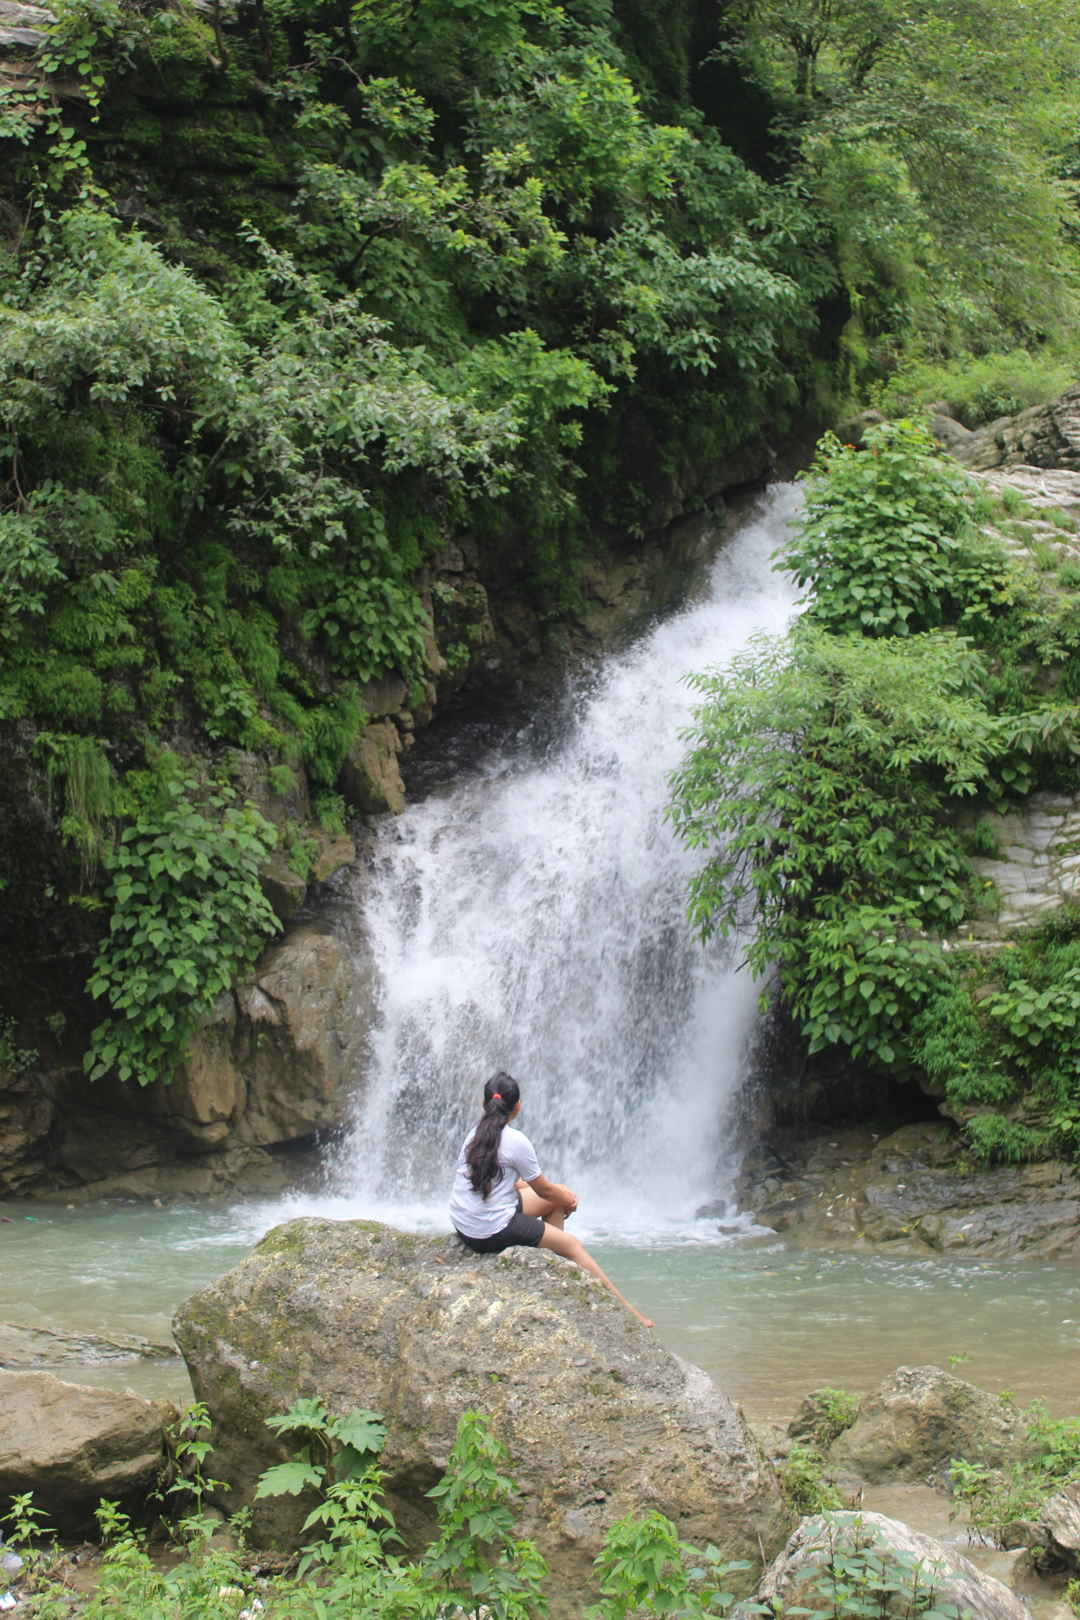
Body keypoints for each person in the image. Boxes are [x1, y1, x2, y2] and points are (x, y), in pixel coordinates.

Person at [448, 1071, 654, 1327]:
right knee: (573, 1244)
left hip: (465, 1224)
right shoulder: (516, 1141)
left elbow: (513, 1183)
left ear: (485, 1104)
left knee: (557, 1198)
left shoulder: (476, 1135)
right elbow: (544, 1190)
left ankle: (553, 1272)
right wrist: (568, 1198)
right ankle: (629, 1315)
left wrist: (561, 1195)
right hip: (490, 1231)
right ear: (518, 1106)